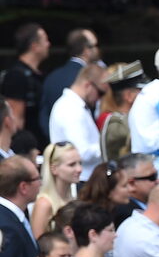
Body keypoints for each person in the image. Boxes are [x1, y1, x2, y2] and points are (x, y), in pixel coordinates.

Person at [47, 63, 105, 178]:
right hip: (81, 179)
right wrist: (107, 145)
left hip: (83, 177)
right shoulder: (71, 109)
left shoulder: (74, 106)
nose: (100, 98)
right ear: (88, 85)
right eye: (100, 92)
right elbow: (82, 152)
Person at [0, 24, 50, 153]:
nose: (48, 44)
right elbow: (15, 120)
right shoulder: (17, 75)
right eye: (45, 40)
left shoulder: (36, 74)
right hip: (27, 150)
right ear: (34, 46)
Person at [30, 141, 82, 237]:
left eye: (80, 163)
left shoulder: (72, 198)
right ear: (54, 169)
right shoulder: (44, 204)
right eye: (72, 164)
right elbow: (40, 244)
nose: (79, 169)